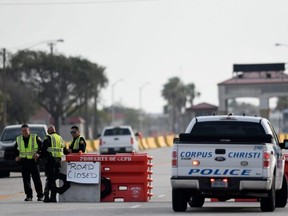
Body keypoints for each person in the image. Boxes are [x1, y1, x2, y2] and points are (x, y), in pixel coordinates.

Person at [15, 124, 44, 201]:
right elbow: (15, 149)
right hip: (24, 161)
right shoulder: (18, 139)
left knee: (36, 179)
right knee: (26, 180)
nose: (24, 132)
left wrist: (39, 154)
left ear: (29, 130)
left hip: (33, 161)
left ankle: (40, 195)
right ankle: (29, 196)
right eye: (23, 131)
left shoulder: (35, 137)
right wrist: (17, 156)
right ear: (21, 131)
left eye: (26, 130)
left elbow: (42, 147)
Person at [41, 125, 65, 203]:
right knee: (53, 179)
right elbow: (65, 150)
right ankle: (51, 196)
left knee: (50, 179)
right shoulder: (60, 138)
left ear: (48, 131)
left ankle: (49, 196)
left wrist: (40, 157)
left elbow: (43, 150)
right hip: (58, 161)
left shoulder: (48, 138)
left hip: (50, 161)